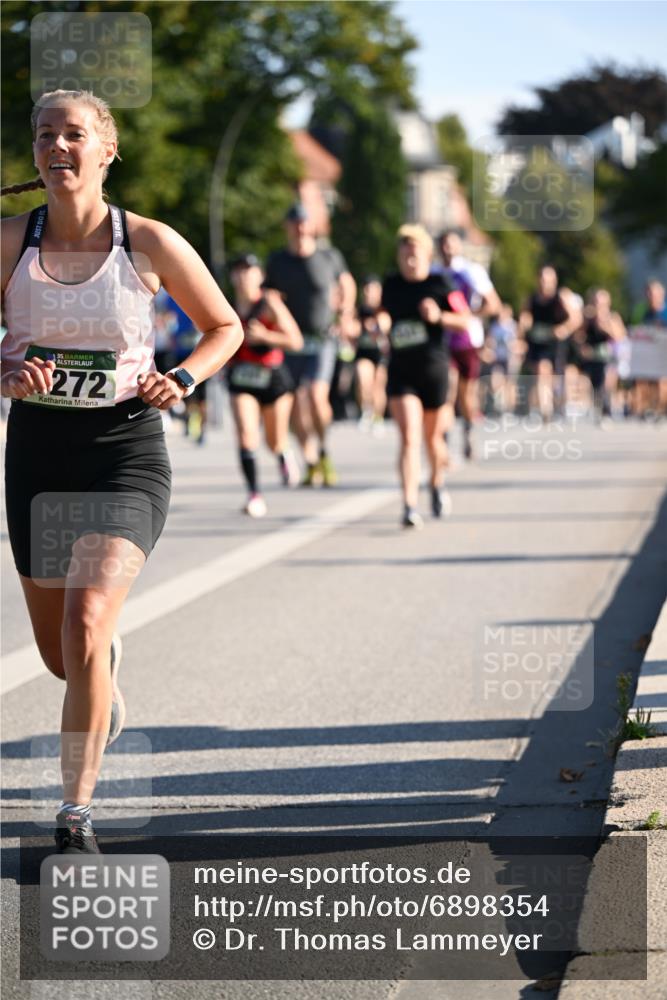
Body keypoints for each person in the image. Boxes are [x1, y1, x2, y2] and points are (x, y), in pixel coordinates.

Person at [0, 90, 242, 853]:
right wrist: (6, 372)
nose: (57, 146)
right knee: (62, 657)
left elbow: (224, 325)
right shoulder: (9, 241)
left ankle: (74, 816)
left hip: (124, 451)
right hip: (38, 453)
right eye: (45, 134)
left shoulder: (148, 242)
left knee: (85, 622)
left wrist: (185, 377)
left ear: (107, 150)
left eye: (74, 133)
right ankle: (100, 674)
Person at [380, 225, 470, 528]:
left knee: (432, 439)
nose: (409, 260)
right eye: (404, 254)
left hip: (433, 370)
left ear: (427, 256)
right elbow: (382, 312)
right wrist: (380, 322)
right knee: (409, 437)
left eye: (414, 254)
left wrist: (439, 316)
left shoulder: (440, 283)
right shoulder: (391, 284)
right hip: (401, 371)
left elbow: (465, 321)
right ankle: (409, 505)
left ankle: (436, 483)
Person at [263, 203, 356, 486]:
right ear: (288, 227)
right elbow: (267, 295)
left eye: (304, 222)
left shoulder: (328, 256)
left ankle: (324, 449)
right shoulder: (278, 261)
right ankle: (310, 459)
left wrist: (345, 314)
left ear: (311, 226)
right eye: (295, 223)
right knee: (293, 406)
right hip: (291, 342)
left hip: (322, 338)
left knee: (316, 395)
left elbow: (347, 284)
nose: (301, 228)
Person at [227, 253, 302, 516]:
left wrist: (266, 336)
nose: (243, 276)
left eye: (249, 270)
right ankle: (254, 494)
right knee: (246, 435)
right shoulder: (227, 306)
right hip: (241, 379)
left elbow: (296, 341)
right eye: (239, 270)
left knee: (274, 440)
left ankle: (283, 453)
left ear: (260, 276)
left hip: (273, 379)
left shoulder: (269, 303)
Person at [436, 229, 501, 459]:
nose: (448, 249)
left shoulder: (471, 271)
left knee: (466, 396)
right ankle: (443, 440)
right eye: (444, 244)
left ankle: (468, 431)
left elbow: (493, 304)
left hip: (467, 340)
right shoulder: (433, 272)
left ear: (459, 246)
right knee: (448, 389)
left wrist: (470, 316)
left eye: (452, 244)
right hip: (442, 341)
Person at [518, 266, 576, 420]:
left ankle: (559, 404)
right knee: (541, 370)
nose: (545, 283)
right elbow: (525, 316)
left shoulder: (561, 296)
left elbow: (576, 318)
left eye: (548, 280)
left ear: (554, 281)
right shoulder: (532, 298)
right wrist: (523, 329)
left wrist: (564, 328)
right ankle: (545, 409)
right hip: (538, 340)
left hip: (555, 342)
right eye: (542, 280)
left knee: (555, 375)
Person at [574, 288, 626, 424]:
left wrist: (604, 326)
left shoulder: (613, 317)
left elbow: (620, 336)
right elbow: (578, 336)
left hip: (609, 356)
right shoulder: (587, 318)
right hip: (593, 356)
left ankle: (607, 411)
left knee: (607, 382)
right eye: (596, 302)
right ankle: (597, 409)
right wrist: (582, 347)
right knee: (594, 384)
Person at [353, 274, 390, 435]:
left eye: (372, 289)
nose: (369, 293)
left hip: (381, 353)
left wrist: (375, 327)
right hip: (364, 352)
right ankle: (366, 411)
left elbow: (385, 327)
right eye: (366, 289)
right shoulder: (359, 310)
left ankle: (378, 418)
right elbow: (351, 329)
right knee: (363, 380)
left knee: (378, 387)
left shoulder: (383, 308)